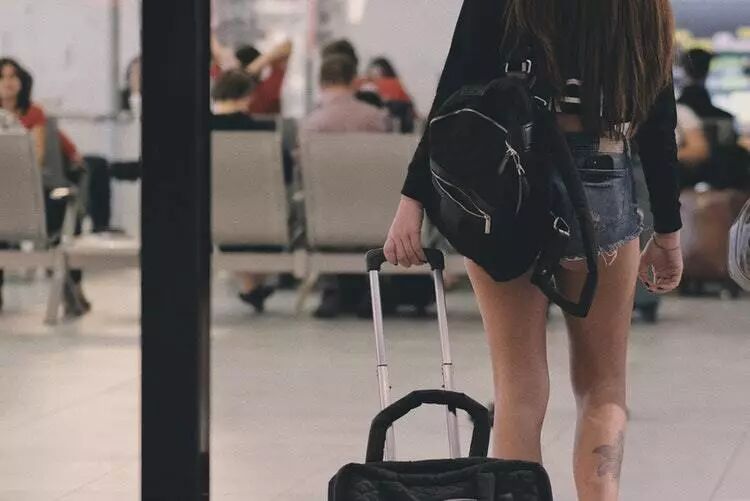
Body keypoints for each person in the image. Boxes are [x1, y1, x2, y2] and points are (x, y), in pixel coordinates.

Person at [383, 2, 683, 500]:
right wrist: (668, 231)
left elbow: (455, 89)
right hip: (602, 176)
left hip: (506, 177)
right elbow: (658, 118)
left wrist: (413, 197)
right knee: (604, 387)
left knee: (517, 388)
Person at [302, 54, 391, 319]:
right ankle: (370, 292)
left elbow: (301, 171)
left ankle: (333, 291)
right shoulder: (377, 119)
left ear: (321, 83)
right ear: (354, 81)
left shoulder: (311, 123)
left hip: (326, 217)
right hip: (373, 213)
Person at [0, 58, 90, 316]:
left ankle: (73, 287)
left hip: (30, 188)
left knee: (62, 212)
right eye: (2, 76)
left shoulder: (34, 114)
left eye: (13, 76)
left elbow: (36, 159)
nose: (7, 82)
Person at [211, 70, 279, 313]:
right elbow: (283, 174)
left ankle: (252, 288)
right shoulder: (262, 131)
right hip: (262, 224)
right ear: (248, 96)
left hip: (216, 219)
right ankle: (253, 286)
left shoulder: (201, 129)